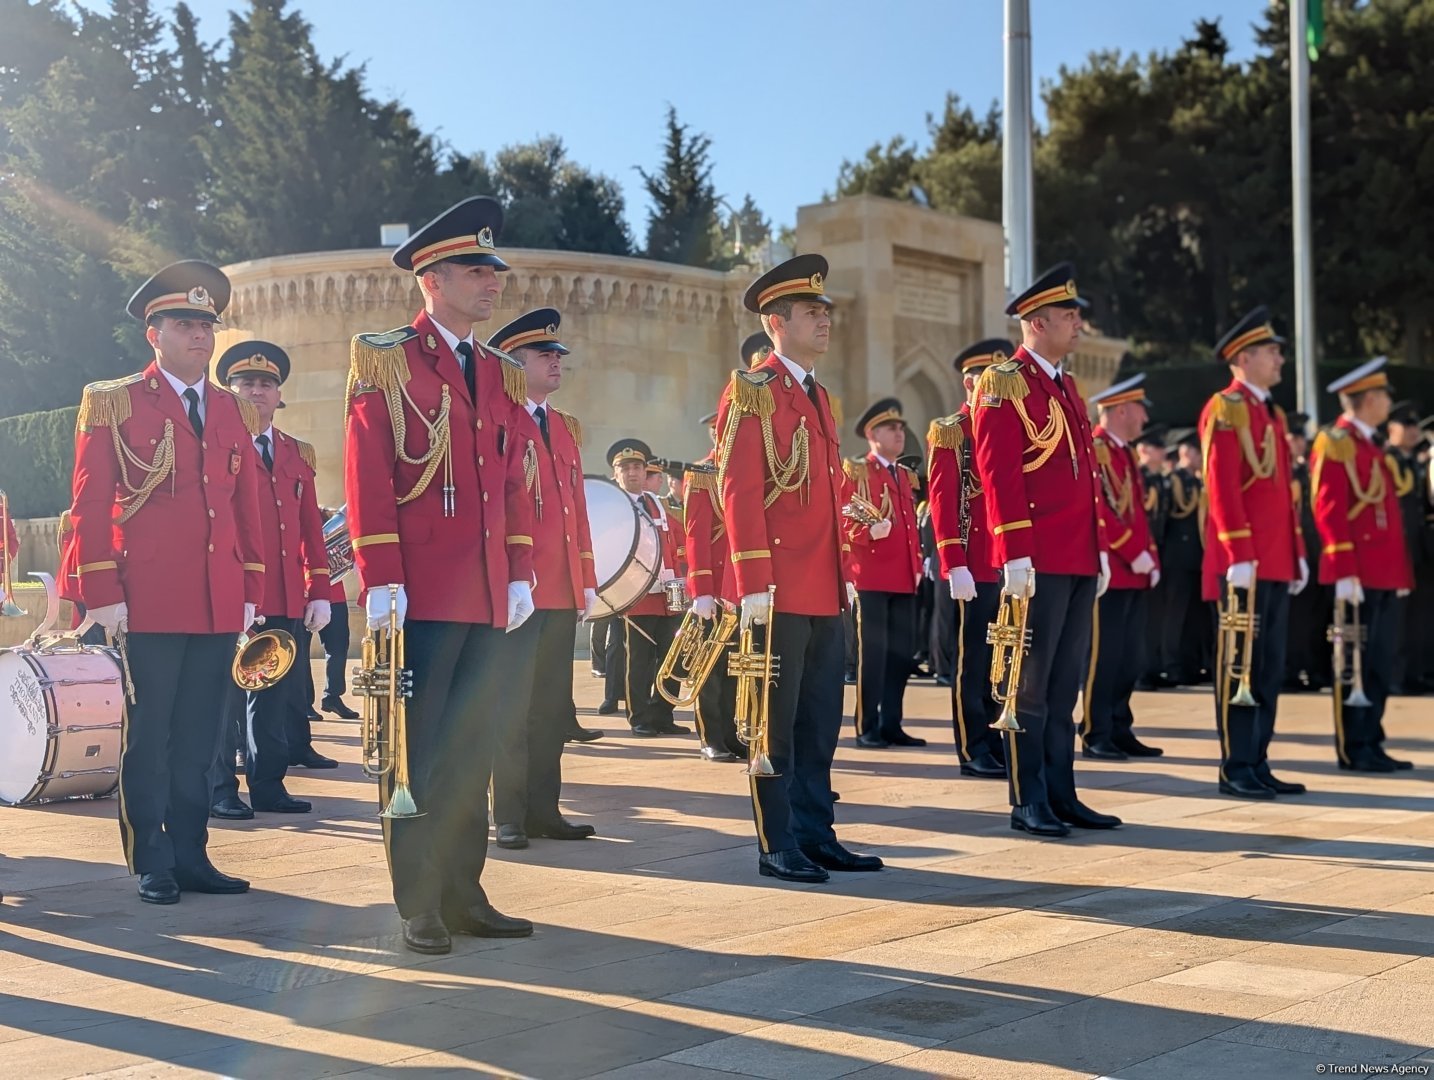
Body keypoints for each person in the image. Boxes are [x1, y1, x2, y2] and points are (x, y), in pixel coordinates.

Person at [344, 196, 537, 954]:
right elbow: (369, 474)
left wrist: (519, 570)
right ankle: (418, 900)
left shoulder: (499, 372)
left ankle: (465, 890)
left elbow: (512, 483)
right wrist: (380, 573)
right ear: (432, 277)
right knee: (413, 752)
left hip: (489, 594)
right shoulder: (388, 357)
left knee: (472, 752)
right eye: (474, 270)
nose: (492, 282)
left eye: (494, 270)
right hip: (420, 591)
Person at [70, 260, 264, 903]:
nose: (201, 337)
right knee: (150, 736)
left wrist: (251, 590)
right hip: (148, 598)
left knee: (201, 740)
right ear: (154, 333)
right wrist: (102, 590)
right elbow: (92, 503)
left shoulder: (232, 410)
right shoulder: (116, 400)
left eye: (207, 326)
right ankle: (151, 858)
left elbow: (244, 506)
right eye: (185, 325)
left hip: (215, 602)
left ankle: (191, 854)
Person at [717, 253, 882, 882]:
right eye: (812, 312)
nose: (824, 321)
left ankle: (817, 832)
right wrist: (752, 581)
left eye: (825, 312)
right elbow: (739, 487)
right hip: (779, 587)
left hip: (822, 586)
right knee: (774, 722)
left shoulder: (819, 398)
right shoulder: (752, 390)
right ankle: (776, 839)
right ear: (776, 322)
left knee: (820, 723)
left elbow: (824, 492)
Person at [971, 263, 1120, 837]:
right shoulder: (1004, 380)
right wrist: (1013, 552)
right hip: (1036, 559)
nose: (1078, 323)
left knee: (1065, 686)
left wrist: (1098, 547)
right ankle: (1027, 796)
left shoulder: (1064, 383)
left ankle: (1062, 791)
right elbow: (999, 474)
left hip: (1076, 555)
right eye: (1068, 315)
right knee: (1026, 685)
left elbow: (1084, 477)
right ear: (1036, 322)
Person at [485, 308, 602, 849]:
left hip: (557, 590)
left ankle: (543, 809)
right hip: (518, 587)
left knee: (551, 706)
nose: (556, 362)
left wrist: (587, 579)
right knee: (509, 706)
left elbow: (575, 509)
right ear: (513, 362)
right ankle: (508, 812)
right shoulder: (499, 417)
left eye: (558, 355)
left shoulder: (563, 426)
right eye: (544, 355)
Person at [1200, 305, 1309, 800]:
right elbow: (1221, 486)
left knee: (1267, 664)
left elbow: (1284, 491)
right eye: (1271, 351)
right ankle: (1236, 764)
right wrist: (1238, 551)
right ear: (1243, 357)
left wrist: (1297, 549)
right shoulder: (1226, 407)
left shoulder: (1270, 412)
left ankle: (1258, 758)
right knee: (1240, 663)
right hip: (1244, 562)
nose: (1280, 358)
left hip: (1275, 560)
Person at [220, 341, 333, 816]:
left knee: (272, 696)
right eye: (246, 383)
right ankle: (221, 788)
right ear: (230, 391)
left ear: (278, 394)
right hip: (232, 594)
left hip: (284, 594)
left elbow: (311, 529)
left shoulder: (294, 453)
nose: (256, 391)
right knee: (225, 700)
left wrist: (320, 590)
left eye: (265, 384)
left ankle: (269, 786)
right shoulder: (219, 445)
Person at [1312, 358, 1413, 772]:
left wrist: (1400, 572)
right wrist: (1344, 568)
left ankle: (1372, 737)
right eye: (1384, 395)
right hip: (1359, 572)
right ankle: (1355, 745)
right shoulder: (1337, 442)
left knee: (1381, 659)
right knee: (1354, 662)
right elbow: (1329, 510)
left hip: (1384, 571)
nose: (1388, 401)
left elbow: (1387, 516)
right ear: (1369, 398)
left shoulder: (1371, 444)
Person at [927, 339, 1011, 779]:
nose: (992, 389)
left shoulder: (1007, 427)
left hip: (1003, 562)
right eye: (985, 381)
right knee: (973, 661)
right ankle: (972, 746)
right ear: (969, 382)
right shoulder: (952, 431)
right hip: (972, 566)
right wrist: (953, 563)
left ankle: (997, 738)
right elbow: (942, 502)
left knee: (1003, 656)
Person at [1081, 376, 1163, 760]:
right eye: (1141, 409)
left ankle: (1119, 725)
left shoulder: (1124, 451)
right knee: (1105, 655)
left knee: (1131, 655)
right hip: (1111, 568)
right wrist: (1133, 551)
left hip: (1134, 568)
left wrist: (1150, 556)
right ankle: (1097, 730)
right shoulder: (1097, 448)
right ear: (1122, 410)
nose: (1145, 418)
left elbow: (1136, 512)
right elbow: (1100, 510)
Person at [845, 399, 925, 748]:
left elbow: (909, 526)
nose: (899, 433)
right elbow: (845, 519)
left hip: (904, 578)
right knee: (873, 657)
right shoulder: (859, 471)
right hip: (873, 578)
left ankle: (892, 723)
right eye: (891, 428)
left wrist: (917, 566)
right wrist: (865, 534)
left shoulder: (904, 475)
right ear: (872, 434)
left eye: (901, 428)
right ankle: (867, 726)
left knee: (900, 657)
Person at [608, 438, 687, 737]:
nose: (632, 473)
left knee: (672, 658)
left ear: (645, 471)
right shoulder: (615, 506)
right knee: (639, 661)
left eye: (637, 467)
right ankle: (639, 717)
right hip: (637, 595)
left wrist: (683, 574)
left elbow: (677, 541)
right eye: (625, 468)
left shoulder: (657, 503)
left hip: (668, 594)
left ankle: (663, 715)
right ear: (616, 474)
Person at [684, 408, 745, 763]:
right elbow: (696, 535)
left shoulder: (751, 467)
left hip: (742, 585)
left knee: (737, 666)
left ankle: (733, 734)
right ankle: (711, 737)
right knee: (709, 668)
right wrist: (702, 589)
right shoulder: (703, 473)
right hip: (716, 586)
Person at [1385, 400, 1431, 694]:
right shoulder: (1386, 460)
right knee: (1396, 618)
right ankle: (1394, 675)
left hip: (1418, 549)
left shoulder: (1414, 461)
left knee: (1419, 616)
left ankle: (1416, 671)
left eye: (1416, 426)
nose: (1414, 431)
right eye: (1407, 425)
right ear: (1392, 429)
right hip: (1395, 549)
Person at [1283, 412, 1331, 692]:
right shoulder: (1282, 472)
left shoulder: (1307, 471)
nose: (1299, 443)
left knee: (1315, 616)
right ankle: (1290, 670)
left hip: (1315, 551)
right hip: (1293, 552)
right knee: (1293, 618)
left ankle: (1314, 668)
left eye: (1302, 438)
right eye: (1294, 437)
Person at [1159, 430, 1208, 686]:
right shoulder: (1173, 481)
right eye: (1197, 452)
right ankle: (1171, 664)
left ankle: (1191, 663)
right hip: (1177, 557)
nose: (1201, 458)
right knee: (1174, 615)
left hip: (1196, 557)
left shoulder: (1199, 482)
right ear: (1185, 453)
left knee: (1193, 617)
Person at [1133, 424, 1173, 691]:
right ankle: (1143, 669)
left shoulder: (1159, 478)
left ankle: (1155, 665)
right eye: (1157, 448)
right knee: (1143, 618)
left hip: (1159, 549)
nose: (1162, 453)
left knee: (1157, 615)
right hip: (1141, 551)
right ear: (1144, 449)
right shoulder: (1141, 477)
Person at [315, 508, 359, 720]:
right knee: (300, 652)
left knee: (338, 648)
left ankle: (333, 696)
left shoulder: (325, 516)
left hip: (335, 595)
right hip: (305, 593)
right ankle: (304, 704)